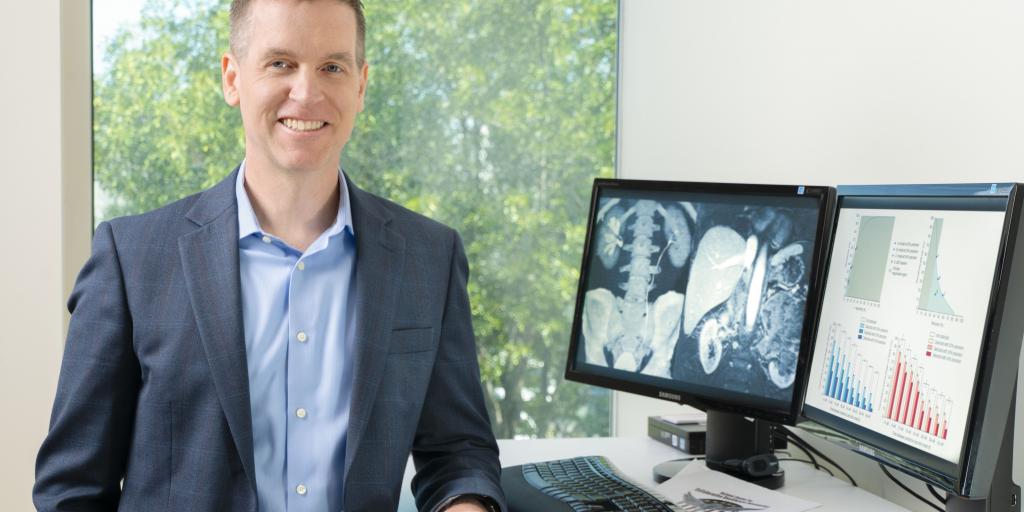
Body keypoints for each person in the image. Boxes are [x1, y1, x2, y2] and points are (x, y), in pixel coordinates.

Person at [33, 0, 505, 510]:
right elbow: (72, 488)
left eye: (332, 67)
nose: (307, 92)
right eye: (280, 63)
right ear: (232, 78)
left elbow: (458, 451)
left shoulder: (428, 257)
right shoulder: (131, 259)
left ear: (361, 84)